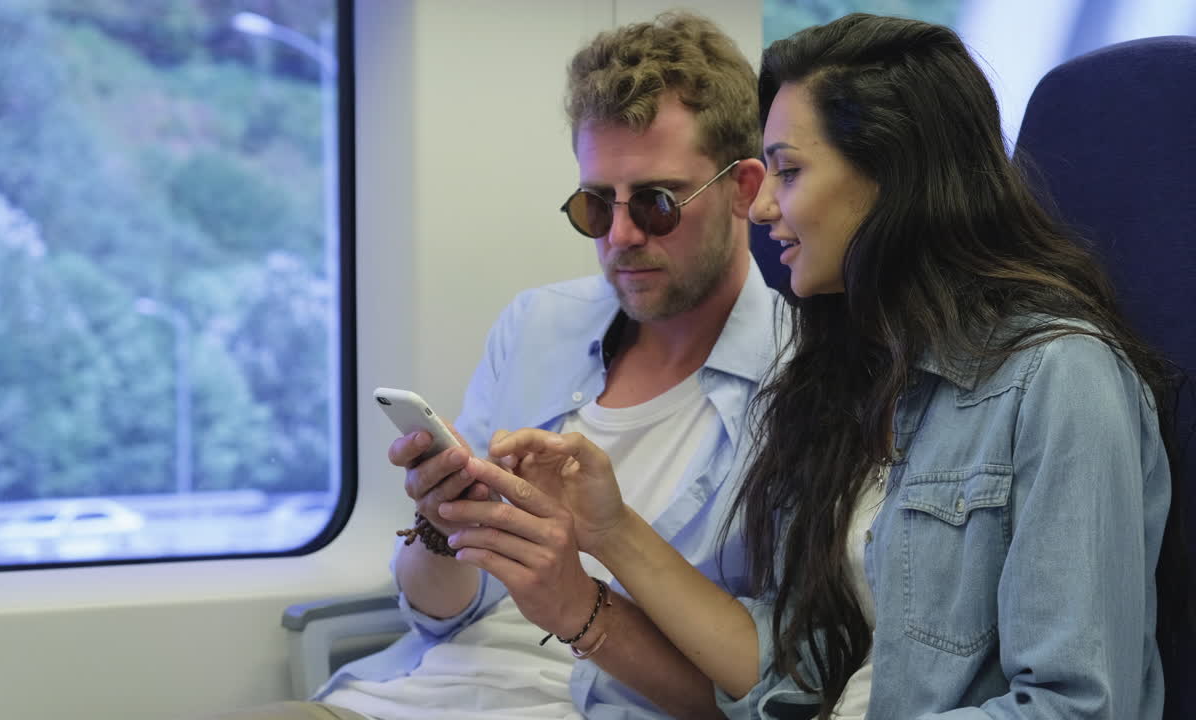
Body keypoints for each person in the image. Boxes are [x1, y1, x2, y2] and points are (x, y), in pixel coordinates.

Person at [447, 12, 1190, 719]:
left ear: (892, 178)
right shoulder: (854, 371)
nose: (761, 208)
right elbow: (799, 670)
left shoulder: (1061, 379)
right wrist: (611, 531)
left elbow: (1078, 706)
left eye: (789, 172)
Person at [207, 11, 785, 720]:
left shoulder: (803, 381)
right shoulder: (538, 326)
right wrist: (441, 525)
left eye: (657, 204)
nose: (621, 235)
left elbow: (765, 695)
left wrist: (577, 605)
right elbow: (444, 615)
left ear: (743, 188)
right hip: (404, 697)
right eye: (595, 205)